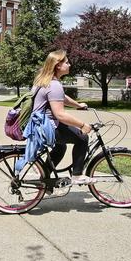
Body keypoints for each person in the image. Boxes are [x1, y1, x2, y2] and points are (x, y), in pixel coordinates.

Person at [32, 50, 95, 185]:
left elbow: (62, 98)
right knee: (82, 138)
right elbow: (60, 114)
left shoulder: (43, 81)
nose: (69, 64)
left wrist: (78, 105)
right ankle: (77, 175)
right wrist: (82, 125)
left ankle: (44, 176)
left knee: (61, 147)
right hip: (46, 127)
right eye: (66, 62)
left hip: (39, 125)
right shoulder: (54, 85)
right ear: (58, 65)